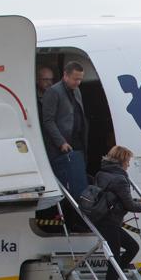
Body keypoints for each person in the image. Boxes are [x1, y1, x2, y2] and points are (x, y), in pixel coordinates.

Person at [87, 146, 141, 280]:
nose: (128, 165)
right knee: (115, 260)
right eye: (128, 161)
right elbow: (129, 204)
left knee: (132, 247)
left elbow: (112, 196)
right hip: (110, 222)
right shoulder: (121, 179)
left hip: (101, 219)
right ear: (122, 161)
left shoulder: (102, 173)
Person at [41, 61, 89, 198]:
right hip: (62, 146)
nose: (78, 82)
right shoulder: (53, 92)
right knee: (68, 183)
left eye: (80, 79)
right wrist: (61, 142)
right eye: (75, 79)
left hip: (77, 142)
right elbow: (48, 121)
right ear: (65, 76)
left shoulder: (77, 91)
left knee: (80, 182)